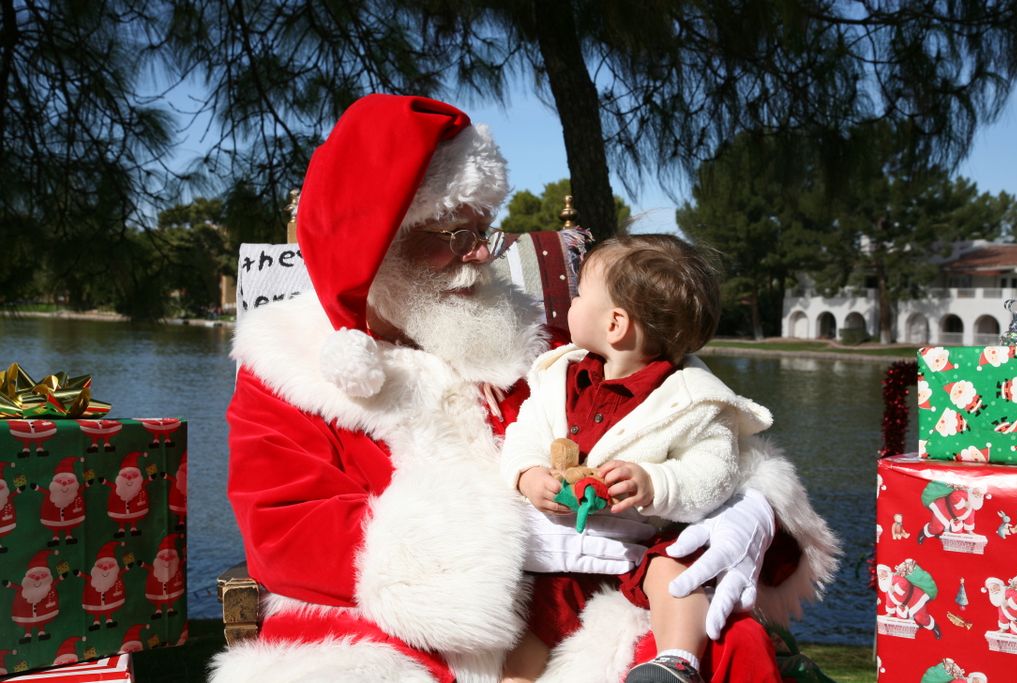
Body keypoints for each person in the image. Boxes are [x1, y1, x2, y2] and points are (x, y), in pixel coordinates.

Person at [210, 94, 840, 683]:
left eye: (482, 231)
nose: (480, 256)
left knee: (728, 643)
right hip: (396, 621)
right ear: (378, 242)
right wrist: (501, 536)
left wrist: (750, 507)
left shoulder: (534, 345)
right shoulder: (287, 368)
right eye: (454, 236)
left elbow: (667, 412)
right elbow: (286, 533)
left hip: (579, 602)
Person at [500, 234, 774, 683]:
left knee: (677, 573)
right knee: (519, 650)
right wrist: (529, 475)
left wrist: (655, 483)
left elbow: (714, 471)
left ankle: (675, 662)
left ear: (615, 325)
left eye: (579, 294)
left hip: (632, 558)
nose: (569, 302)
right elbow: (524, 434)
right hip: (549, 560)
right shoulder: (557, 377)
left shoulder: (693, 400)